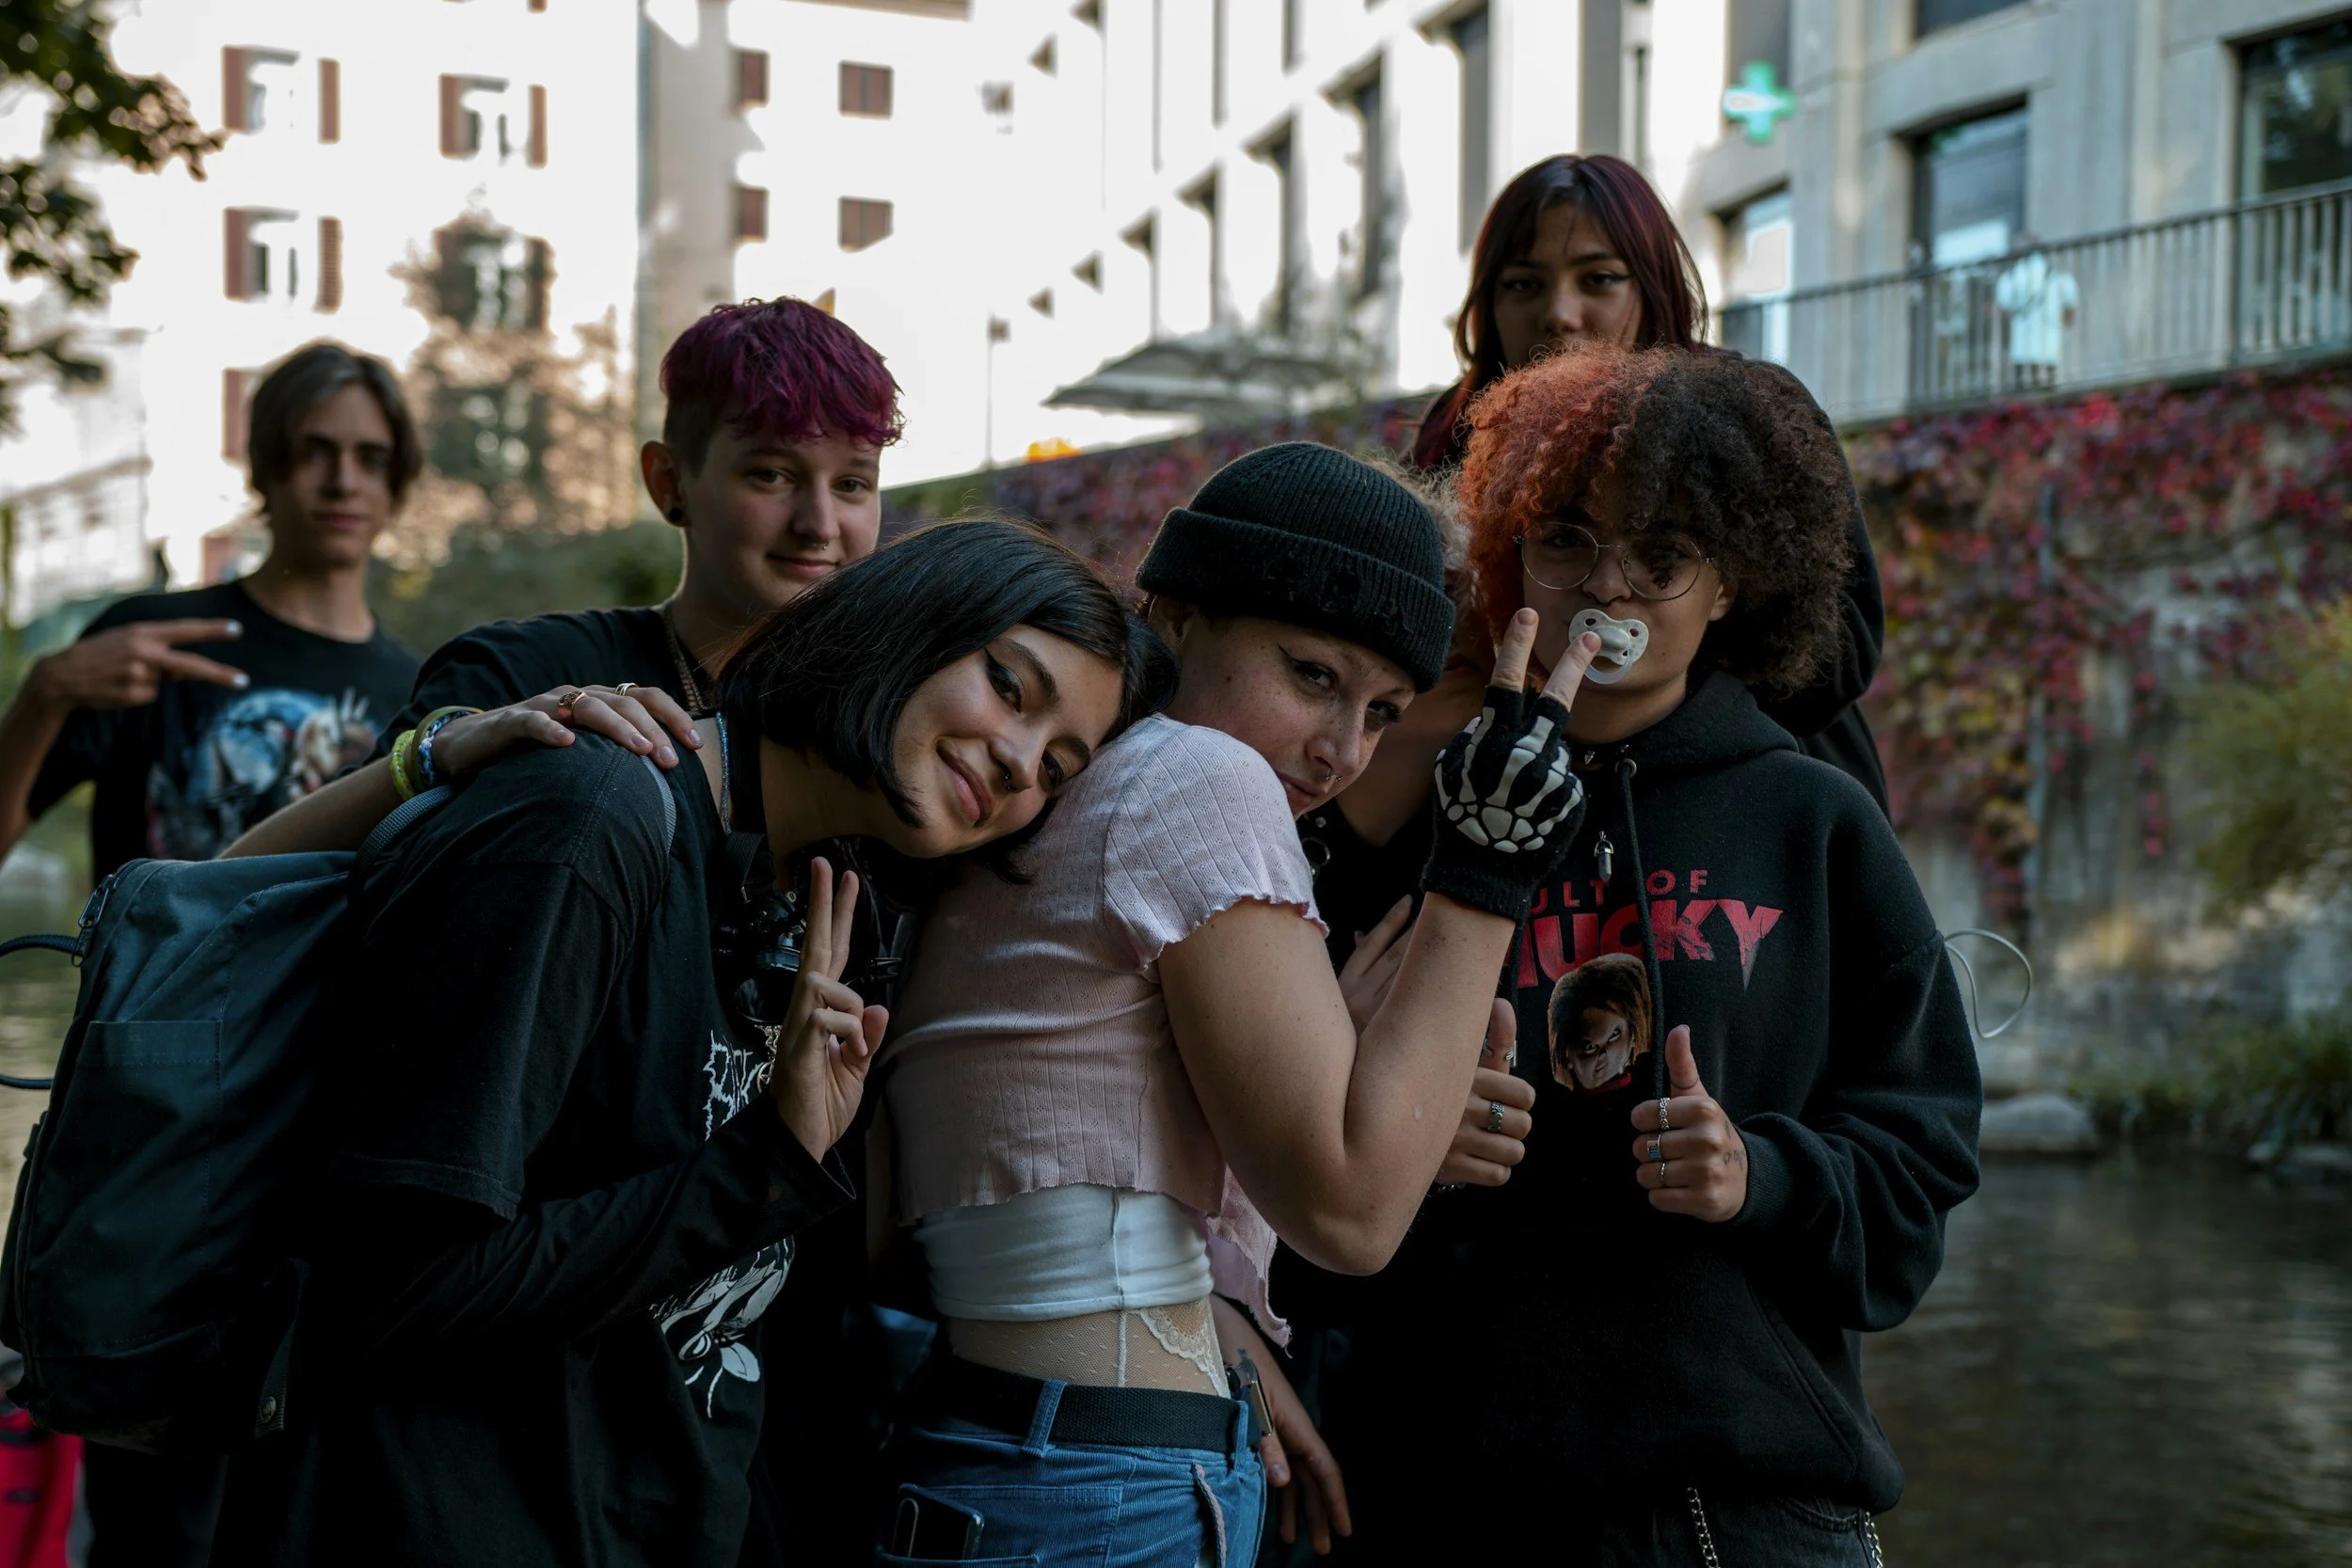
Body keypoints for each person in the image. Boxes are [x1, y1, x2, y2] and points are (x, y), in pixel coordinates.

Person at [208, 519, 1169, 1567]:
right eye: (1009, 686)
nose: (1020, 761)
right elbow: (391, 1289)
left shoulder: (820, 907)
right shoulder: (591, 819)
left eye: (1058, 767)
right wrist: (765, 1164)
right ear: (907, 618)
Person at [871, 444, 1601, 1565]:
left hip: (1005, 1446)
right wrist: (1487, 869)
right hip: (1099, 1486)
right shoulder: (1199, 777)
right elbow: (1353, 1212)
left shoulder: (1063, 783)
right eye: (1311, 674)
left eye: (1383, 710)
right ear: (1176, 614)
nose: (1340, 749)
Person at [1332, 343, 1982, 1561]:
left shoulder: (1813, 820)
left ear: (1730, 581)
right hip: (1453, 1499)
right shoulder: (1423, 810)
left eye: (1663, 553)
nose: (1608, 585)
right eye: (1566, 539)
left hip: (1742, 1508)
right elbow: (1281, 1148)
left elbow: (1921, 1160)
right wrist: (1408, 1134)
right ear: (1509, 554)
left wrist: (1760, 1172)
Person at [0, 340, 422, 1568]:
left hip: (323, 1149)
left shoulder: (421, 692)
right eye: (313, 451)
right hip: (150, 1142)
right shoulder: (156, 642)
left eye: (370, 457)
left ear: (398, 483)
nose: (341, 480)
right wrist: (47, 694)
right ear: (268, 469)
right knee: (151, 1518)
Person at [225, 294, 899, 859]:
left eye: (852, 483)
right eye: (772, 474)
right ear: (669, 482)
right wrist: (439, 751)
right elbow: (241, 880)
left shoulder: (896, 724)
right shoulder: (517, 674)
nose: (819, 523)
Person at [1408, 152, 1888, 809]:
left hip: (1751, 809)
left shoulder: (1750, 414)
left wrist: (1641, 674)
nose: (1559, 312)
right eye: (1522, 284)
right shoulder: (1458, 432)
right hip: (1519, 808)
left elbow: (1840, 653)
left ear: (1653, 284)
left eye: (1599, 279)